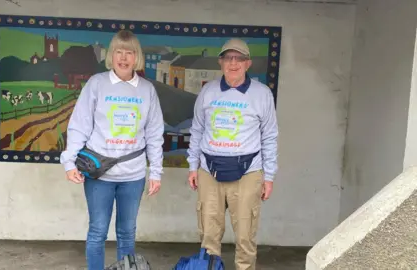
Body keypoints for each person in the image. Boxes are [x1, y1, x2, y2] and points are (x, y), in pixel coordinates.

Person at [60, 30, 165, 270]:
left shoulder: (147, 90)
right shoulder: (97, 84)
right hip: (99, 174)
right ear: (111, 54)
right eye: (119, 51)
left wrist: (156, 172)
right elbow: (80, 125)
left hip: (133, 175)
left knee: (127, 233)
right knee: (97, 231)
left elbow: (154, 134)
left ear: (137, 56)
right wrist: (69, 162)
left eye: (130, 52)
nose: (124, 57)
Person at [186, 38, 278, 270]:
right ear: (221, 62)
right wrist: (192, 166)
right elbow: (196, 130)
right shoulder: (208, 92)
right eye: (228, 58)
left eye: (239, 58)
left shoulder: (262, 94)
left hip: (248, 173)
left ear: (248, 64)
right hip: (209, 170)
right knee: (208, 237)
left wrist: (269, 177)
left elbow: (269, 136)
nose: (233, 63)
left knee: (246, 238)